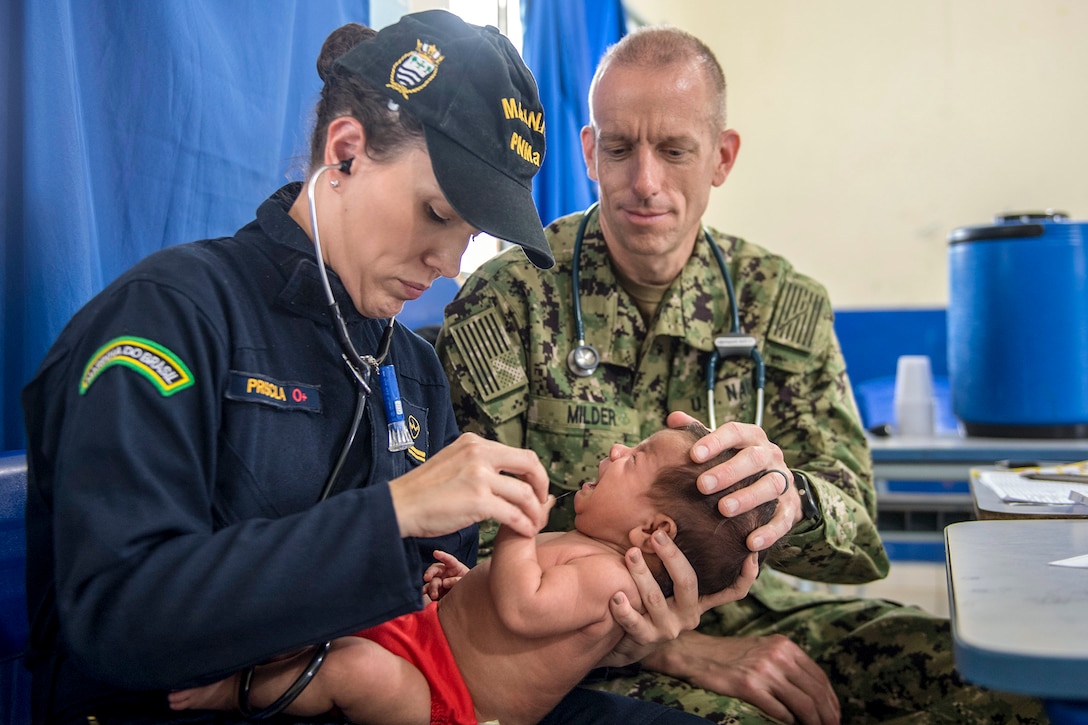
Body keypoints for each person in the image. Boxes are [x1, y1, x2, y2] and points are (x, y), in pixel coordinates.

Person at [20, 13, 738, 725]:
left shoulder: (414, 370)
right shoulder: (173, 317)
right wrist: (394, 511)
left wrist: (622, 622)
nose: (450, 265)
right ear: (345, 152)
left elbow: (458, 620)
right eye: (435, 213)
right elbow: (120, 619)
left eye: (470, 236)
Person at [437, 24, 1048, 725]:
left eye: (674, 150)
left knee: (1005, 691)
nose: (645, 182)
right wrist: (667, 646)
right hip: (569, 636)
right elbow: (461, 546)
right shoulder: (511, 297)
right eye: (619, 148)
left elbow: (859, 538)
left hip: (762, 609)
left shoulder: (780, 305)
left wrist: (787, 500)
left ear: (722, 157)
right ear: (588, 153)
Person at [168, 424, 769, 725]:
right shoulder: (587, 549)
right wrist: (467, 582)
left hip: (448, 700)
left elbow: (523, 608)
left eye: (633, 460)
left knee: (351, 669)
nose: (614, 452)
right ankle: (239, 657)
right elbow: (510, 612)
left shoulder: (608, 578)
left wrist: (517, 526)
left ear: (654, 534)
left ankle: (228, 694)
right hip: (430, 642)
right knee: (327, 624)